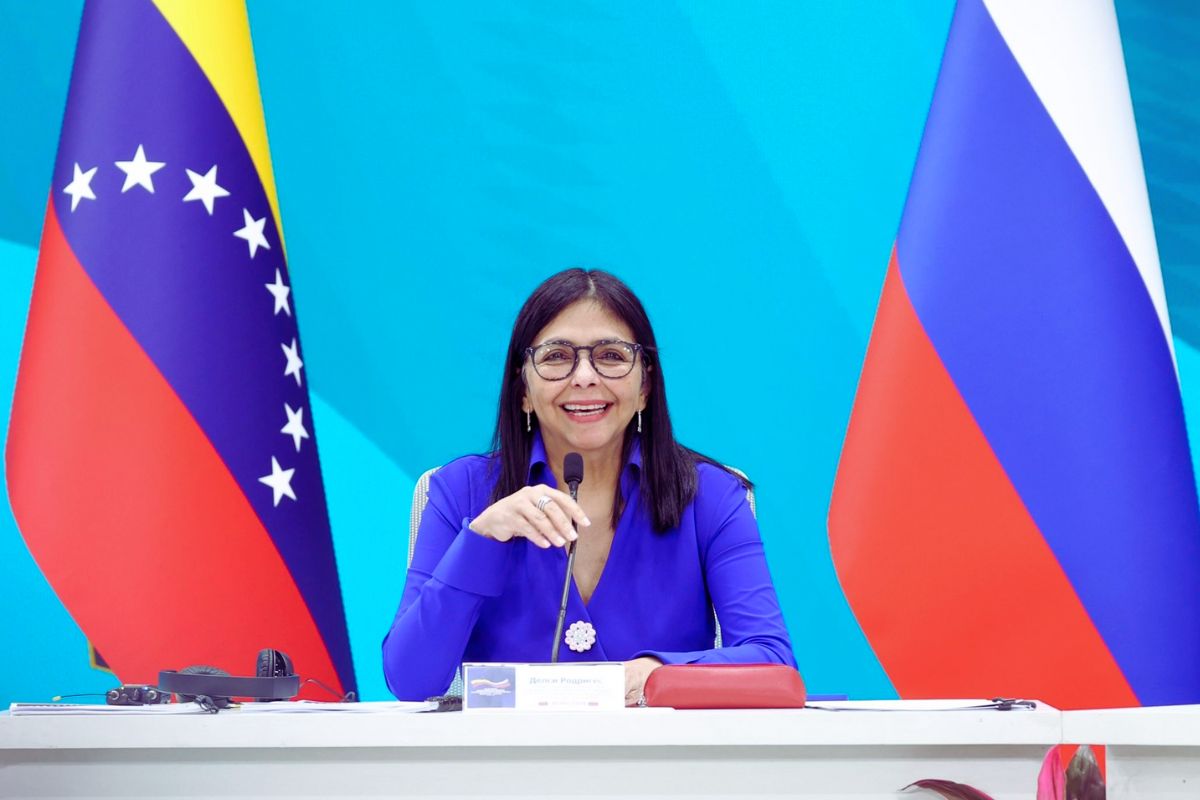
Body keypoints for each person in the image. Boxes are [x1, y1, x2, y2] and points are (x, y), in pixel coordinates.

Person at [383, 268, 795, 704]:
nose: (584, 376)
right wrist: (481, 541)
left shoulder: (711, 496)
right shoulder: (461, 491)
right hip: (505, 749)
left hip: (664, 749)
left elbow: (771, 661)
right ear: (523, 389)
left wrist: (655, 673)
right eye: (557, 356)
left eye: (611, 356)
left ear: (645, 386)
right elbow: (411, 681)